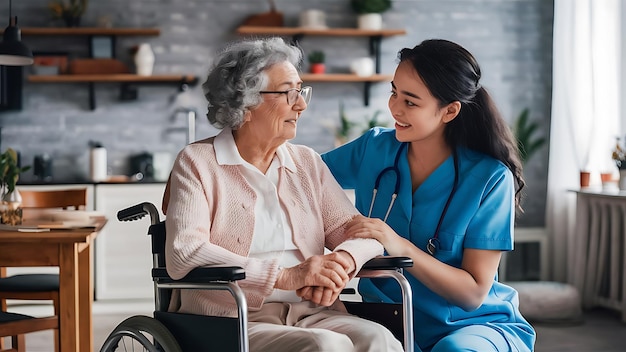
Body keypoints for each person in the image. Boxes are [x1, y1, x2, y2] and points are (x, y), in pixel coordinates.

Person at [163, 37, 404, 352]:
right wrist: (286, 275)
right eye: (288, 93)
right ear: (245, 104)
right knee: (326, 346)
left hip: (311, 313)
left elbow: (363, 232)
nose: (301, 104)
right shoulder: (198, 162)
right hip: (232, 319)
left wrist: (340, 262)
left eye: (301, 90)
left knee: (380, 339)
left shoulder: (305, 162)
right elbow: (184, 252)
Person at [320, 39, 536, 352]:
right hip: (386, 319)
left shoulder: (489, 178)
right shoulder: (374, 149)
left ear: (449, 111)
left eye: (410, 101)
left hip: (471, 327)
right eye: (394, 92)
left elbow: (473, 292)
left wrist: (396, 242)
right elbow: (302, 175)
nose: (394, 108)